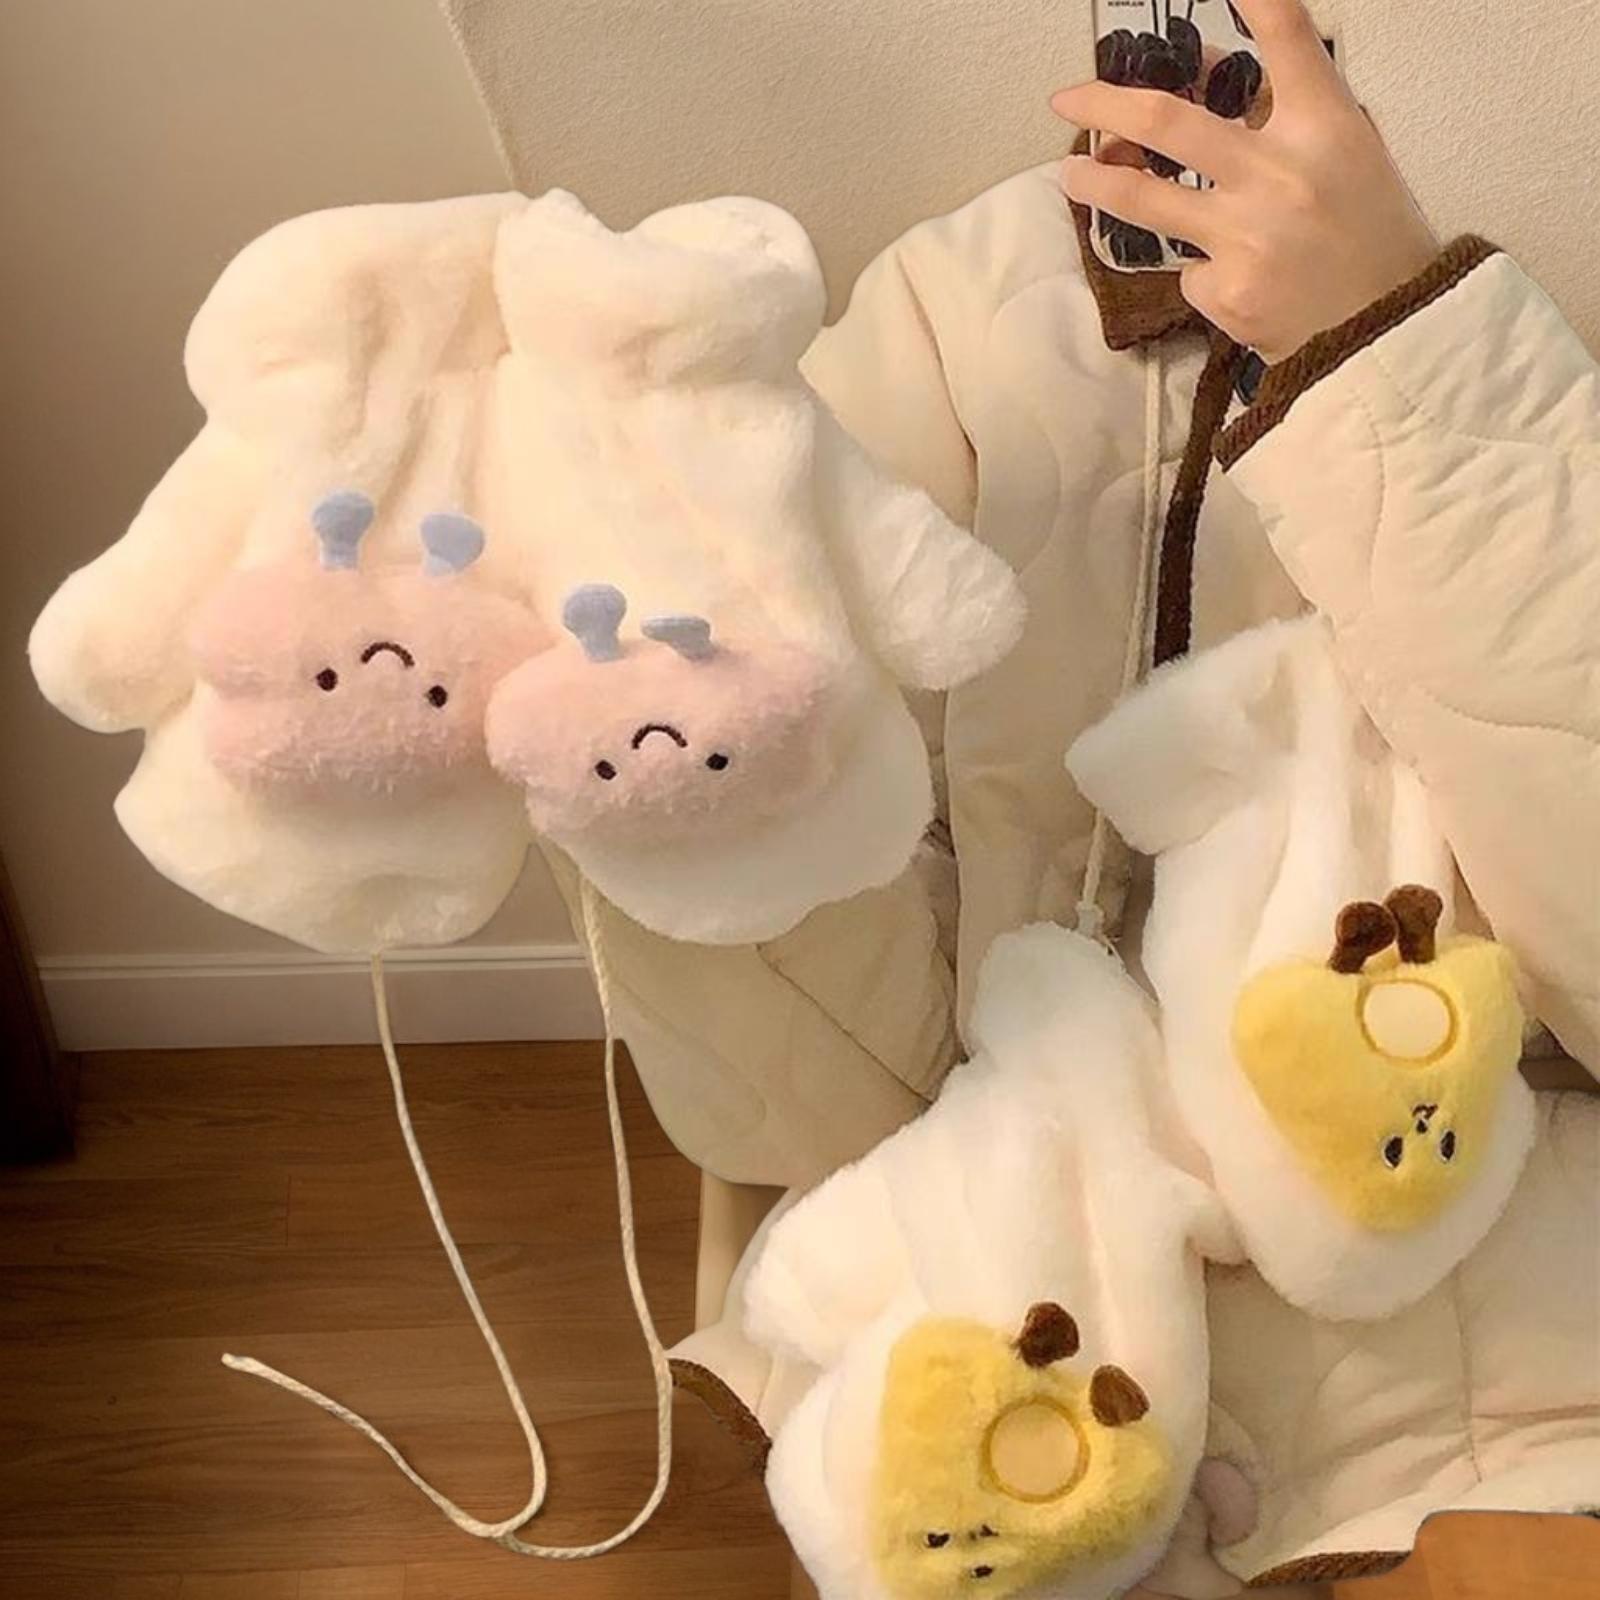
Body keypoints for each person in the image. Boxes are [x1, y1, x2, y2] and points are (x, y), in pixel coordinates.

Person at [564, 0, 1600, 1589]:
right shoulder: (951, 326)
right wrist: (675, 788)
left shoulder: (1477, 385)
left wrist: (1398, 348)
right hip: (1012, 1298)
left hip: (1499, 1318)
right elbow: (807, 1102)